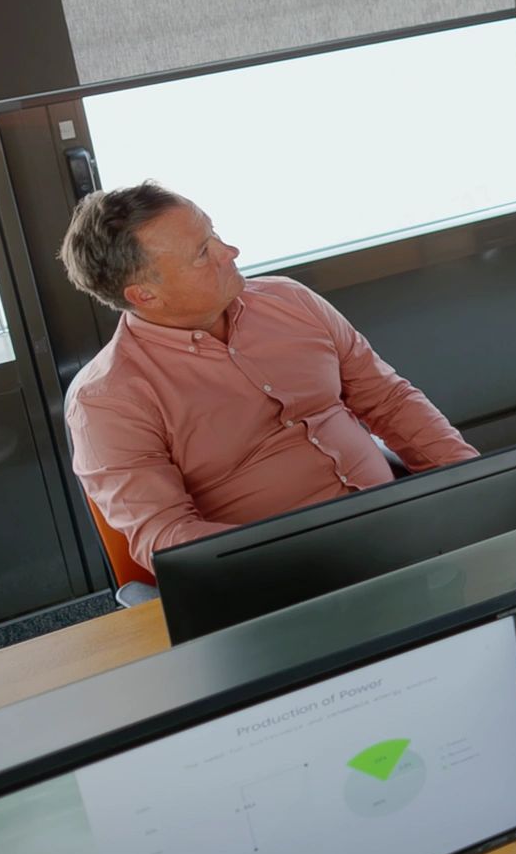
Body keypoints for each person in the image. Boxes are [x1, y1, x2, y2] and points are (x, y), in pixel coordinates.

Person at [59, 183, 478, 574]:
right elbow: (165, 536)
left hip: (405, 529)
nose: (231, 251)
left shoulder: (290, 300)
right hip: (284, 577)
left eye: (215, 233)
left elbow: (389, 401)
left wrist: (475, 483)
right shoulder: (107, 400)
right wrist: (305, 558)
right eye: (204, 252)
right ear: (144, 295)